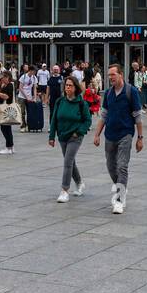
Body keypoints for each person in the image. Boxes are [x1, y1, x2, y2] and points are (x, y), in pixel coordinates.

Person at [93, 64, 143, 215]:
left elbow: (138, 116)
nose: (110, 78)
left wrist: (140, 138)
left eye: (113, 75)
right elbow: (104, 115)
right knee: (110, 166)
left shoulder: (131, 91)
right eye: (108, 75)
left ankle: (120, 200)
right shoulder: (108, 93)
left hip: (125, 134)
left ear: (121, 74)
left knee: (122, 166)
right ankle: (121, 187)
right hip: (110, 135)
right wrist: (97, 134)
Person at [48, 75, 92, 203]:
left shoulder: (81, 103)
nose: (67, 87)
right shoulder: (60, 101)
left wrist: (79, 132)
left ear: (75, 87)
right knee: (71, 162)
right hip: (62, 136)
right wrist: (52, 136)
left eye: (70, 85)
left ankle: (64, 190)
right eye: (66, 85)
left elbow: (87, 120)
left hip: (75, 137)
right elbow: (54, 119)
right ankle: (79, 183)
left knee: (67, 162)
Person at [0, 69, 17, 155]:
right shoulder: (6, 85)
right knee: (7, 128)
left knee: (5, 128)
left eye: (3, 77)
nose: (2, 78)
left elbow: (6, 96)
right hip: (6, 109)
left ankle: (8, 147)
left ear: (7, 77)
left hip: (6, 109)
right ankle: (11, 147)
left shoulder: (9, 86)